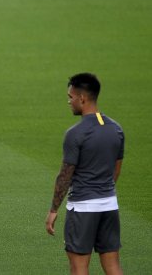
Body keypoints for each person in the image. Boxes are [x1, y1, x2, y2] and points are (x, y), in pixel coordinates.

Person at [45, 73, 124, 275]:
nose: (68, 101)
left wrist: (54, 209)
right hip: (109, 205)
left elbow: (65, 175)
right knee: (113, 266)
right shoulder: (116, 129)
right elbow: (116, 169)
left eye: (70, 97)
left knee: (79, 267)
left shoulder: (76, 133)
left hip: (82, 209)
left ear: (82, 98)